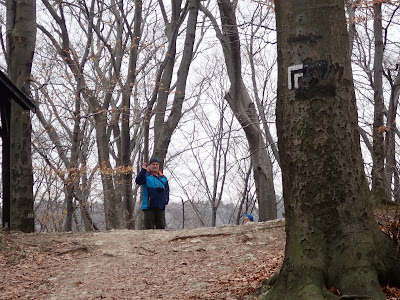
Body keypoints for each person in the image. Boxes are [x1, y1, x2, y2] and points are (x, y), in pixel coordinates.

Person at [135, 157, 169, 229]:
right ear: (149, 166)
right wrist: (143, 170)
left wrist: (166, 199)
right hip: (149, 207)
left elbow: (167, 189)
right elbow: (138, 181)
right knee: (149, 230)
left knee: (161, 229)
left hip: (160, 206)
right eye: (153, 164)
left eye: (157, 164)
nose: (155, 166)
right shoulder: (146, 176)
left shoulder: (163, 178)